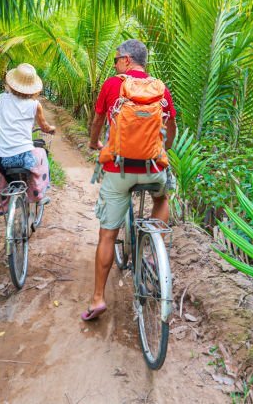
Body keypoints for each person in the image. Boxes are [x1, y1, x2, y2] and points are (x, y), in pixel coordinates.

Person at [82, 39, 176, 320]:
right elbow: (171, 127)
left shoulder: (113, 86)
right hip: (151, 167)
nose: (114, 64)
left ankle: (98, 298)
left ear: (125, 60)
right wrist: (164, 148)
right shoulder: (160, 89)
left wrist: (94, 142)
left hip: (118, 171)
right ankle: (152, 247)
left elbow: (98, 122)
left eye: (114, 60)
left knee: (107, 234)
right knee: (162, 196)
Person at [0, 63, 56, 254]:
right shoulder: (34, 105)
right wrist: (50, 129)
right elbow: (44, 126)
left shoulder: (2, 99)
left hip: (2, 159)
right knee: (41, 154)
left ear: (12, 84)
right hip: (24, 157)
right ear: (32, 87)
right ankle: (39, 193)